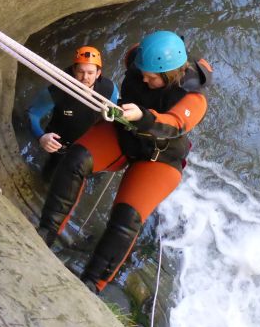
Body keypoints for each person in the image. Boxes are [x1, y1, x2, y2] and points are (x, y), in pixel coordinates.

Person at [38, 30, 212, 293]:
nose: (143, 78)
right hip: (123, 132)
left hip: (159, 157)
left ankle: (91, 283)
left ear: (169, 74)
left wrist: (143, 116)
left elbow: (174, 124)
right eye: (142, 71)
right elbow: (134, 55)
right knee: (76, 159)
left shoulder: (193, 99)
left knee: (127, 218)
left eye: (151, 77)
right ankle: (45, 233)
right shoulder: (136, 58)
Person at [26, 46, 119, 172]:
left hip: (90, 146)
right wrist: (41, 137)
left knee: (95, 175)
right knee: (50, 173)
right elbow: (32, 114)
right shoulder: (58, 90)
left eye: (90, 73)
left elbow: (114, 118)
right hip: (60, 145)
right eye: (81, 71)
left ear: (98, 73)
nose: (85, 77)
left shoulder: (109, 90)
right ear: (74, 70)